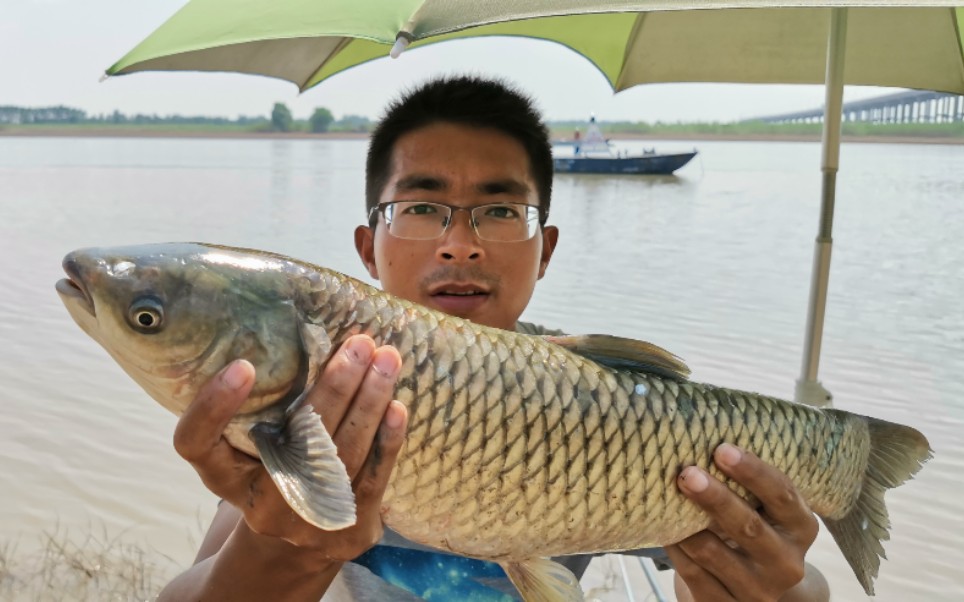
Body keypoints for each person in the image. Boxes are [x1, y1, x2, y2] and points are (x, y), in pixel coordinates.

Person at [158, 75, 830, 601]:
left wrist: (773, 588)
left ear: (546, 250)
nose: (459, 245)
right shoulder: (322, 378)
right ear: (369, 247)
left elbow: (783, 583)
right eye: (420, 208)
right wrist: (286, 544)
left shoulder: (609, 399)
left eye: (501, 211)